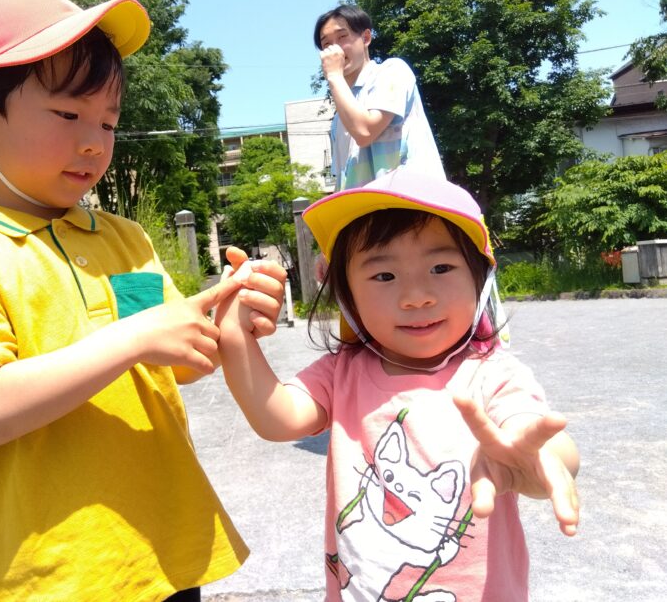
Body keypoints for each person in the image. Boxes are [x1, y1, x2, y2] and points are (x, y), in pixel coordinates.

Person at [0, 0, 285, 601]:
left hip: (162, 544)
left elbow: (169, 363)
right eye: (68, 115)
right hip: (59, 567)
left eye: (108, 121)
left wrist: (225, 315)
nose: (94, 142)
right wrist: (134, 337)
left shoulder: (123, 239)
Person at [216, 167, 579, 601]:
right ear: (347, 294)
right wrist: (234, 334)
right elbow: (277, 418)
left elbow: (533, 430)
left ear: (480, 279)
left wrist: (536, 457)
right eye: (384, 276)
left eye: (441, 266)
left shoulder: (492, 374)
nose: (416, 296)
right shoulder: (342, 373)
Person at [316, 4, 445, 190]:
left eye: (342, 37)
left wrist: (334, 76)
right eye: (326, 44)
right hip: (370, 215)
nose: (335, 49)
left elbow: (365, 131)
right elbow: (343, 180)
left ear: (366, 37)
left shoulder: (393, 71)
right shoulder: (339, 117)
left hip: (413, 205)